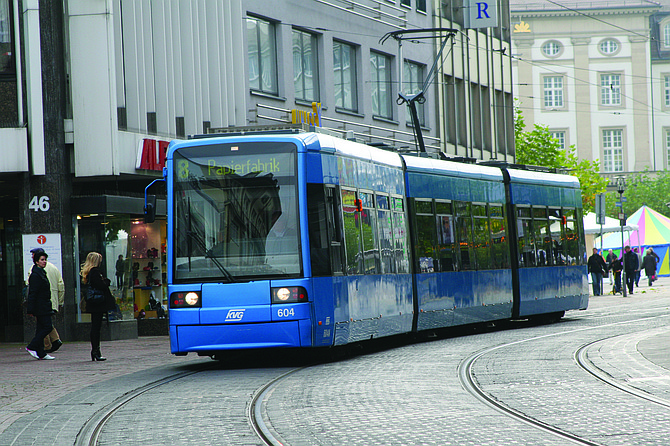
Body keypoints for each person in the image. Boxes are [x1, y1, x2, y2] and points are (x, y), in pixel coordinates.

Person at [80, 252, 116, 361]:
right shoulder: (95, 272)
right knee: (96, 327)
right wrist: (106, 281)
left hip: (94, 303)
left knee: (95, 327)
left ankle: (95, 350)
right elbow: (100, 285)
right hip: (98, 303)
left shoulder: (88, 272)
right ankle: (96, 351)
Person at [29, 248, 65, 353]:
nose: (44, 261)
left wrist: (30, 308)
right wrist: (60, 301)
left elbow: (31, 290)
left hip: (42, 304)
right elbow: (61, 285)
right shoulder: (53, 268)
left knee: (44, 325)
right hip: (49, 302)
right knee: (45, 325)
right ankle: (43, 349)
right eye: (42, 259)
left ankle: (41, 346)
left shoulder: (34, 271)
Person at [25, 250, 55, 360]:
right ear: (37, 262)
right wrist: (31, 309)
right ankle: (32, 346)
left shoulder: (41, 273)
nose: (44, 262)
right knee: (47, 326)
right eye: (42, 260)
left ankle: (41, 352)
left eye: (45, 260)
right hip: (41, 306)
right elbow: (33, 293)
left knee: (41, 328)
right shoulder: (36, 275)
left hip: (44, 305)